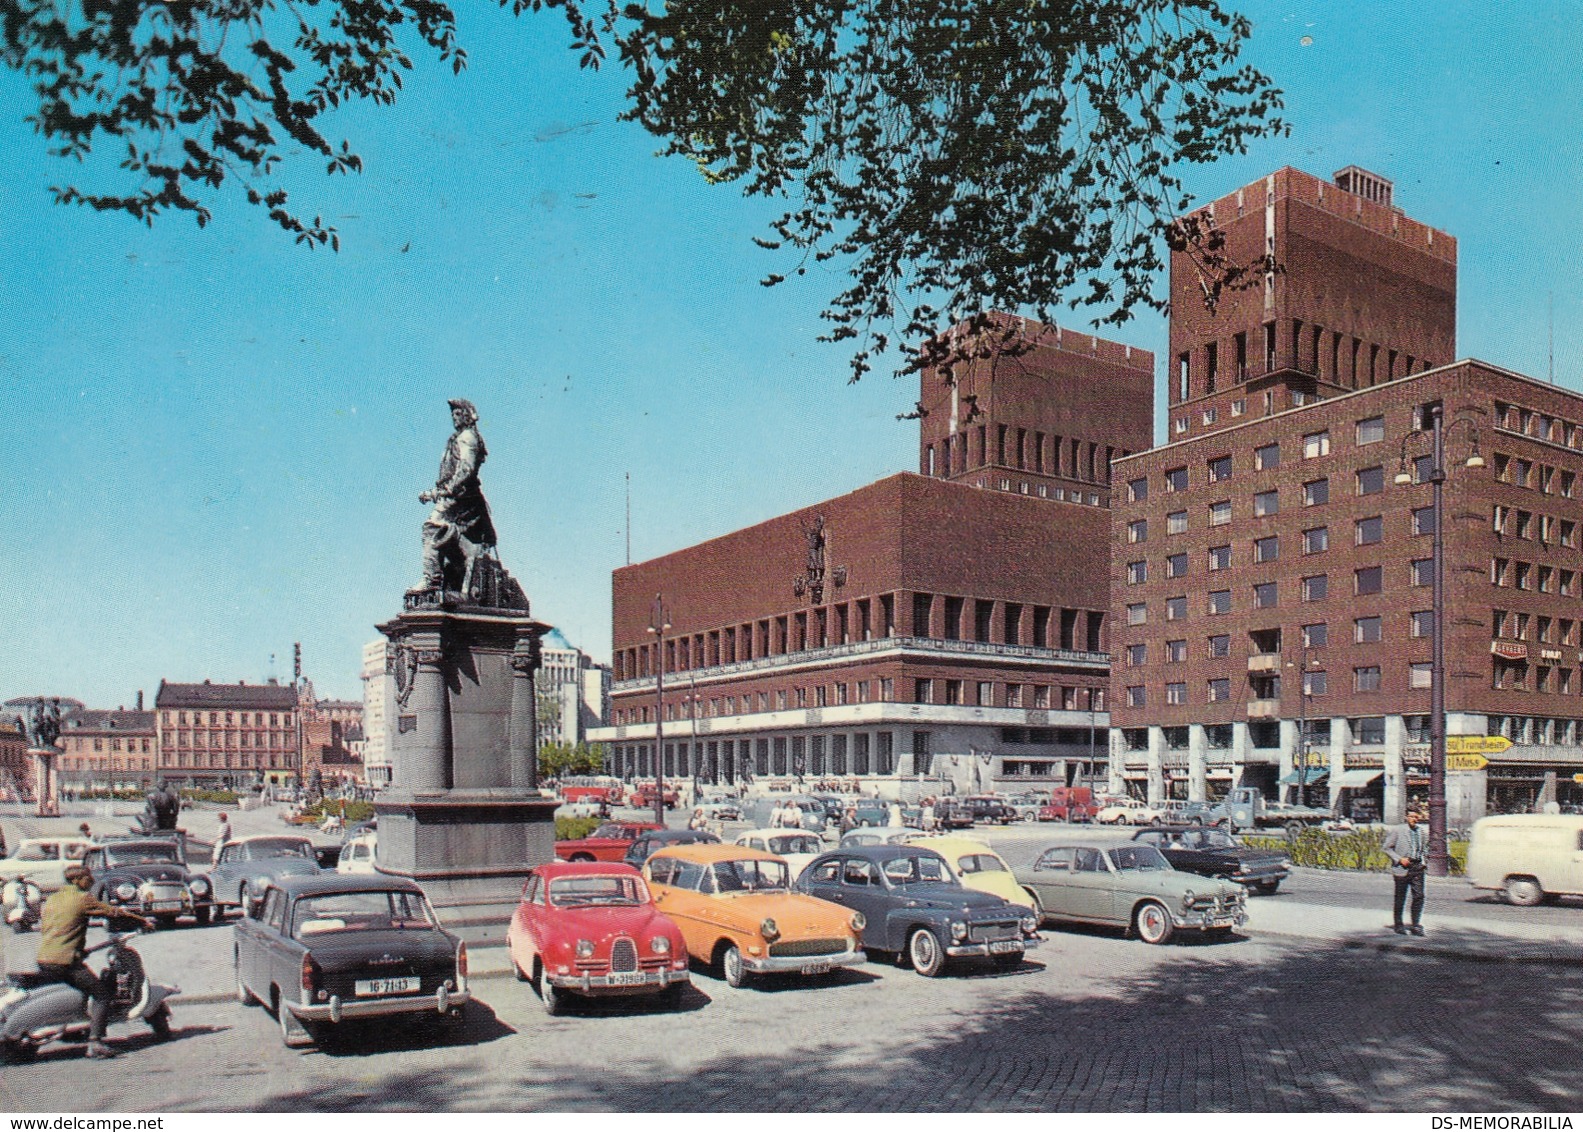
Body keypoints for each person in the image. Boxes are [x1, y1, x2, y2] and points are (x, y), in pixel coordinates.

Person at [38, 863, 153, 1058]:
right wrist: (142, 920)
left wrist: (79, 950)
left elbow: (60, 928)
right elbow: (113, 912)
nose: (91, 881)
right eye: (87, 877)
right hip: (65, 962)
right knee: (101, 994)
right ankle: (95, 1042)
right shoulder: (82, 899)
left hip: (45, 958)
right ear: (77, 880)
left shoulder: (52, 899)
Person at [419, 398, 498, 593]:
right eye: (452, 414)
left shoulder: (468, 437)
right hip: (459, 498)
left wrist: (442, 492)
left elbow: (465, 470)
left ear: (466, 415)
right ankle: (448, 576)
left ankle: (432, 579)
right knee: (449, 538)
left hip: (461, 499)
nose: (454, 418)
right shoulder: (461, 437)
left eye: (457, 413)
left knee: (431, 528)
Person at [1382, 809, 1429, 936]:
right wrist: (1399, 859)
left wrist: (1423, 862)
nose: (1414, 819)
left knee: (1419, 896)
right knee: (1400, 897)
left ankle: (1415, 925)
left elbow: (1424, 848)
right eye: (1411, 816)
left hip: (1417, 867)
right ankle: (1398, 924)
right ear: (1406, 817)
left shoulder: (1421, 832)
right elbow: (1386, 848)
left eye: (1416, 817)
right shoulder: (1398, 830)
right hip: (1402, 868)